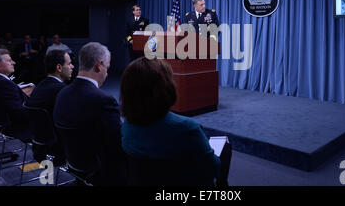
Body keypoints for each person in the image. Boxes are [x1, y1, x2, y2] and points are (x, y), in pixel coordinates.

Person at [120, 58, 224, 185]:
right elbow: (213, 168)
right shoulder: (187, 128)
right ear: (166, 88)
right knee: (225, 150)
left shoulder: (127, 126)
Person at [53, 42, 126, 185]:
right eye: (107, 68)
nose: (107, 73)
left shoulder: (62, 93)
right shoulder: (104, 100)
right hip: (102, 172)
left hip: (73, 166)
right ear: (99, 66)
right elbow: (117, 145)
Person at [28, 50, 74, 164]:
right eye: (69, 64)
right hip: (58, 147)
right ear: (59, 67)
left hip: (39, 145)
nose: (72, 67)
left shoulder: (39, 86)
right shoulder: (62, 91)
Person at [0, 49, 34, 137]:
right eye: (9, 61)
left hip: (1, 126)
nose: (13, 63)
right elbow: (20, 114)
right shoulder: (4, 83)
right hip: (16, 130)